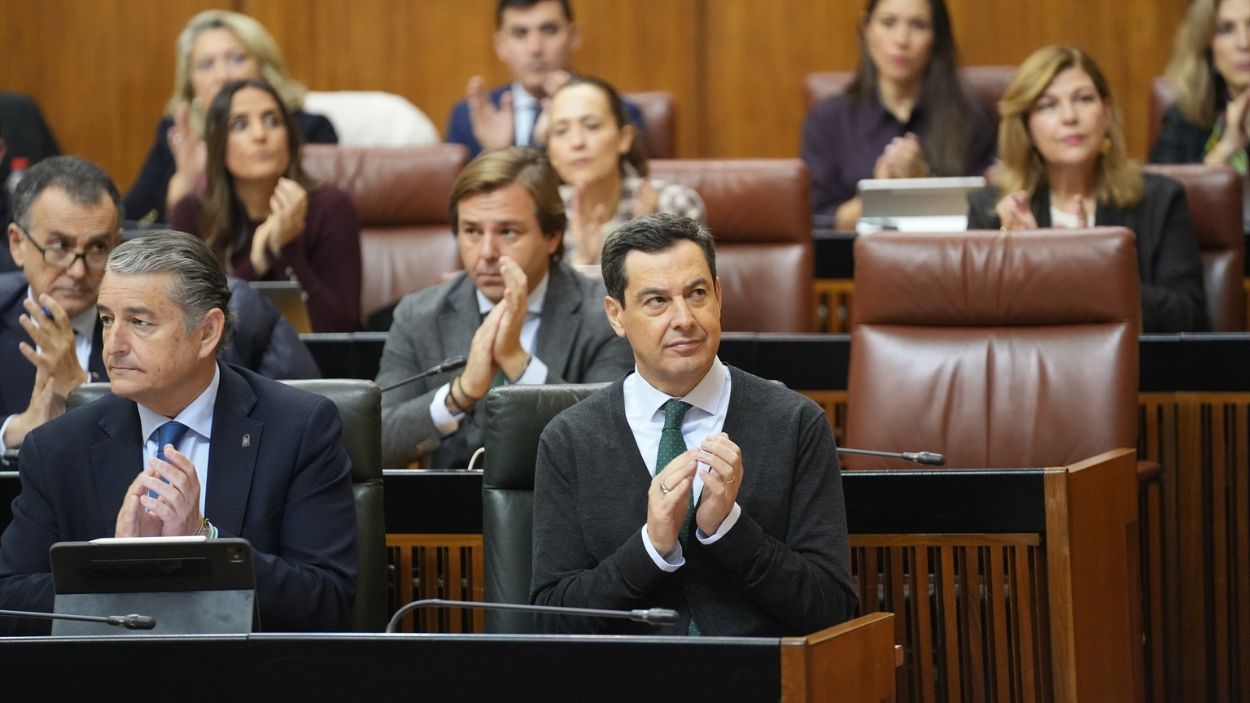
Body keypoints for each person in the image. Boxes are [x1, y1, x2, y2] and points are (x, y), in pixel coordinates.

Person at [0, 231, 356, 635]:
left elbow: (328, 601)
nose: (113, 345)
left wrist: (204, 543)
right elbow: (9, 599)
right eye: (107, 320)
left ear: (206, 333)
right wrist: (113, 568)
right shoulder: (58, 447)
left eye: (138, 322)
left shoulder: (299, 429)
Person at [530, 214, 857, 636]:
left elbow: (832, 608)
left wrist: (730, 530)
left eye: (697, 293)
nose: (684, 318)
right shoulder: (568, 440)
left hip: (759, 681)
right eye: (656, 301)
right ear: (616, 315)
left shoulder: (795, 422)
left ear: (719, 296)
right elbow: (551, 620)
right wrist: (651, 548)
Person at [1, 156, 319, 462]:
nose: (78, 270)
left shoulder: (190, 309)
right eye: (59, 247)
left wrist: (81, 392)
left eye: (98, 248)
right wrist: (13, 430)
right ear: (17, 243)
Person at [377, 146, 632, 469]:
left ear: (552, 236)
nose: (486, 252)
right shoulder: (419, 315)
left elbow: (610, 438)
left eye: (507, 232)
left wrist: (517, 362)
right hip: (450, 511)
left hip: (566, 508)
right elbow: (379, 439)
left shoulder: (605, 315)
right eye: (471, 231)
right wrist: (461, 393)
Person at [967, 45, 1207, 333]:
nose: (1069, 116)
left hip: (1139, 374)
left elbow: (1187, 315)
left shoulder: (1160, 199)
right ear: (1026, 126)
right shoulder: (992, 209)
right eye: (1048, 105)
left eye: (1083, 99)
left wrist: (1090, 272)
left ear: (1105, 113)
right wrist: (1020, 263)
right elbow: (977, 329)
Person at [171, 78, 362, 333]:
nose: (261, 135)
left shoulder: (331, 208)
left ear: (289, 138)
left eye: (272, 121)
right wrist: (258, 261)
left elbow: (339, 329)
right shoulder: (192, 214)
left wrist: (284, 248)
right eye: (240, 125)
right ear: (218, 144)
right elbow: (198, 330)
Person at [124, 9, 337, 226]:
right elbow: (129, 224)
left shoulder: (308, 128)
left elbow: (324, 214)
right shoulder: (178, 134)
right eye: (206, 64)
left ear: (264, 69)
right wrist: (183, 186)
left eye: (236, 59)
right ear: (191, 83)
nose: (222, 75)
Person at [800, 0, 996, 223]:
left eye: (918, 25)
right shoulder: (828, 120)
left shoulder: (973, 117)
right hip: (850, 255)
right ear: (867, 29)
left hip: (946, 255)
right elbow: (815, 223)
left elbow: (988, 213)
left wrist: (922, 183)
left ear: (936, 36)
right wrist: (881, 195)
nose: (902, 40)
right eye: (889, 22)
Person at [445, 0, 644, 160]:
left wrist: (569, 109)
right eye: (520, 33)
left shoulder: (618, 112)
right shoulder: (466, 119)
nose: (535, 48)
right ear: (500, 45)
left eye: (549, 30)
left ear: (574, 36)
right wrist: (495, 155)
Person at [546, 75, 704, 265]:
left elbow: (695, 290)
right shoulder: (544, 218)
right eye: (562, 130)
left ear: (624, 138)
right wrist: (582, 263)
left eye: (591, 126)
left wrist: (648, 246)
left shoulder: (672, 205)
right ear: (551, 153)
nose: (577, 142)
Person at [1151, 0, 1250, 230]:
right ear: (1207, 45)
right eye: (1225, 29)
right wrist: (1226, 147)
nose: (1244, 43)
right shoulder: (1185, 116)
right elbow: (1158, 214)